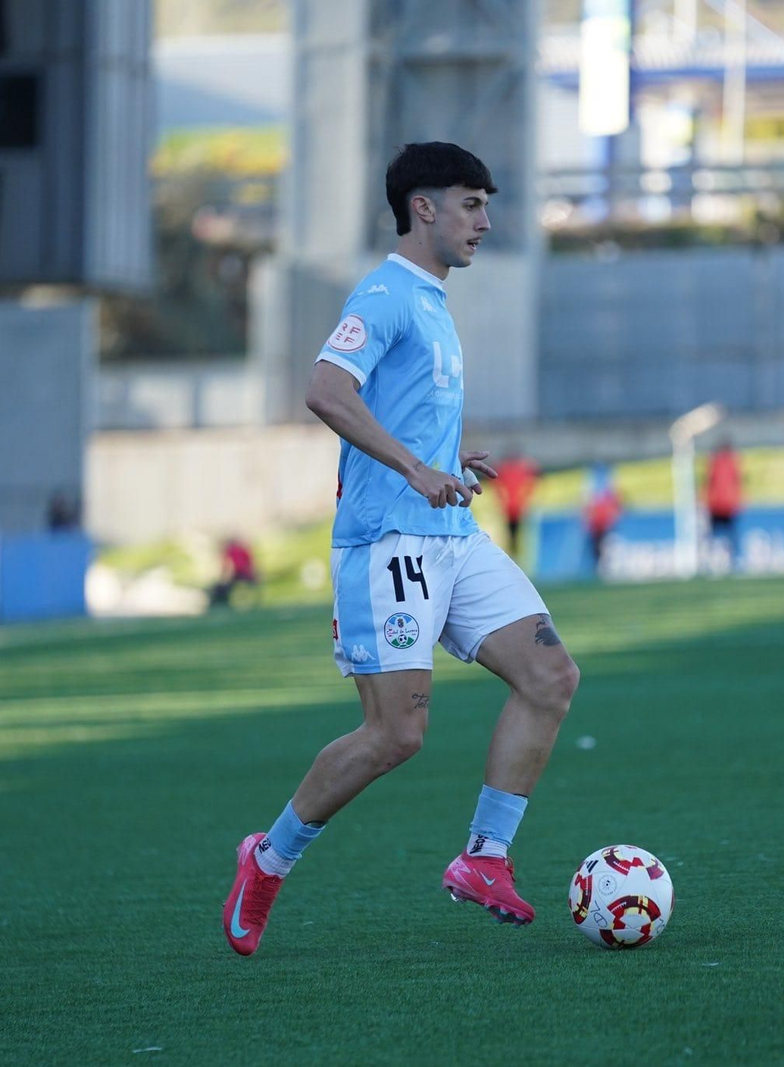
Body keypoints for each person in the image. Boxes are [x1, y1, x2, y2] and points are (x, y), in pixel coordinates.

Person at [221, 142, 580, 956]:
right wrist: (415, 468)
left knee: (551, 674)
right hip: (389, 544)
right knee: (395, 735)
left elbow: (400, 412)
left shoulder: (433, 303)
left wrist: (447, 463)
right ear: (423, 207)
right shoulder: (383, 295)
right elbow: (325, 390)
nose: (485, 222)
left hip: (452, 534)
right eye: (471, 204)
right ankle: (268, 857)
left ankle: (484, 857)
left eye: (486, 205)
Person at [492, 450, 539, 558]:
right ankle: (514, 553)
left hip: (514, 507)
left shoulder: (509, 470)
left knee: (515, 533)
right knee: (513, 533)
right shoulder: (517, 470)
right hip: (513, 507)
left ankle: (514, 553)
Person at [703, 439, 742, 566]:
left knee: (720, 535)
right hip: (723, 504)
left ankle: (717, 560)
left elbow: (709, 482)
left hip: (720, 504)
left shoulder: (716, 462)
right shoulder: (729, 462)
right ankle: (727, 560)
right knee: (724, 535)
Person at [583, 462, 622, 575]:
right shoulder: (591, 487)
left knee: (605, 547)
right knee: (597, 548)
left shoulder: (607, 488)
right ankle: (599, 569)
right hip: (595, 525)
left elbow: (615, 504)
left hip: (605, 523)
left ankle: (605, 568)